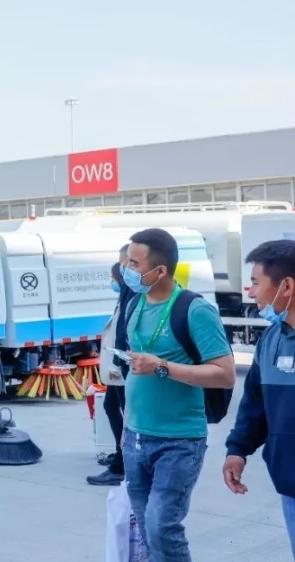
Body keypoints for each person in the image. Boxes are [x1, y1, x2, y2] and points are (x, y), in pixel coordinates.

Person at [122, 227, 236, 561]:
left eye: (134, 264)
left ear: (160, 271)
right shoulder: (135, 303)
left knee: (162, 526)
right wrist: (127, 425)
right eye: (127, 261)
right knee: (146, 529)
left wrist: (162, 366)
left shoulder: (195, 310)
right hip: (135, 436)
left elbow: (225, 374)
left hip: (179, 440)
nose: (126, 269)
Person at [222, 239, 295, 556]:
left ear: (286, 286)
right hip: (290, 485)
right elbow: (255, 404)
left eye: (255, 282)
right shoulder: (271, 340)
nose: (251, 293)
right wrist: (238, 449)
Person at [87, 259, 129, 486]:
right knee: (110, 406)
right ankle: (120, 455)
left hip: (121, 367)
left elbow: (122, 336)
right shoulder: (123, 297)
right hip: (117, 366)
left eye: (114, 277)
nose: (112, 281)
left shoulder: (131, 297)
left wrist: (116, 365)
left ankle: (121, 465)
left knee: (124, 412)